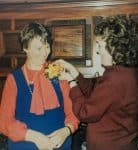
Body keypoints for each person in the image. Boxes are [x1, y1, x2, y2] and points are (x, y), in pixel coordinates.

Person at [55, 15, 138, 150]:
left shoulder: (116, 78)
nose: (97, 50)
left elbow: (85, 113)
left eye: (100, 45)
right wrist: (75, 73)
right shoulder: (125, 71)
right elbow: (96, 92)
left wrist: (72, 83)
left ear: (114, 47)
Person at [0, 22, 79, 150]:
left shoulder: (58, 73)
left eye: (47, 46)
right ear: (25, 48)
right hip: (25, 146)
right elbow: (4, 122)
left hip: (60, 146)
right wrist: (33, 137)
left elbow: (74, 111)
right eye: (39, 48)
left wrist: (66, 131)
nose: (45, 53)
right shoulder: (14, 79)